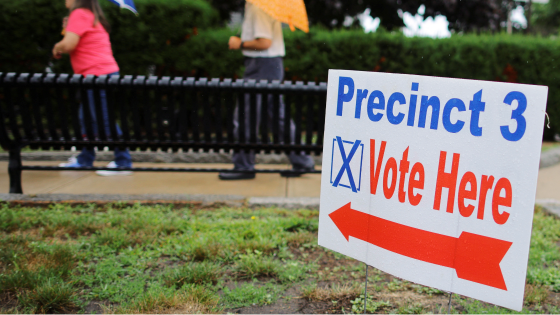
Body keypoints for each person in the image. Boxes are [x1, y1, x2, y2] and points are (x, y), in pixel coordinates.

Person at [219, 1, 315, 180]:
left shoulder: (259, 7)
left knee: (245, 115)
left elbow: (264, 42)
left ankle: (244, 166)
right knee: (276, 116)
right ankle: (302, 161)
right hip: (271, 65)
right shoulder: (262, 5)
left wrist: (239, 44)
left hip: (262, 65)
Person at [53, 0, 132, 176]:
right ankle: (85, 159)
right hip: (100, 74)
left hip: (96, 75)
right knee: (87, 119)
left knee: (104, 120)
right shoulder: (89, 15)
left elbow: (69, 45)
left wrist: (58, 46)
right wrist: (68, 31)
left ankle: (123, 162)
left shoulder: (79, 13)